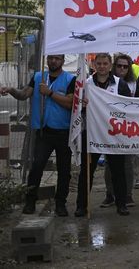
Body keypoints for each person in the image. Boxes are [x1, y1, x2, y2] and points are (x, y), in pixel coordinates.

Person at [1, 54, 75, 216]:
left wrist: (49, 93)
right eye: (50, 58)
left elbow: (70, 103)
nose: (53, 61)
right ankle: (30, 201)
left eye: (57, 58)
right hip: (43, 132)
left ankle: (60, 204)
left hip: (63, 133)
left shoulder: (70, 79)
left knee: (64, 171)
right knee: (36, 167)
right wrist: (11, 90)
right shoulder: (38, 77)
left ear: (63, 61)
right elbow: (23, 95)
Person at [75, 53, 131, 217]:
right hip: (91, 133)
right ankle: (81, 205)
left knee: (117, 170)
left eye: (105, 64)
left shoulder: (120, 84)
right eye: (98, 63)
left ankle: (121, 204)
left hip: (113, 134)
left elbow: (128, 106)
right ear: (93, 64)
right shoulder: (86, 83)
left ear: (110, 65)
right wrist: (81, 104)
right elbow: (76, 107)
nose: (102, 66)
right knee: (87, 171)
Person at [100, 53, 139, 209]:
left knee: (127, 162)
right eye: (119, 66)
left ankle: (127, 195)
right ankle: (110, 194)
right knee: (109, 163)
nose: (122, 69)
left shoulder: (135, 82)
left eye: (125, 66)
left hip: (129, 128)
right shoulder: (108, 81)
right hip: (109, 128)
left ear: (129, 68)